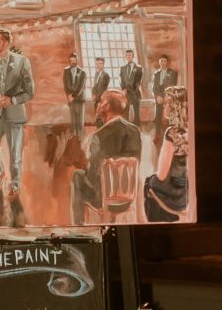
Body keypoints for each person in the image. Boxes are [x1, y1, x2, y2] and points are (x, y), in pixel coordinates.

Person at [0, 27, 35, 229]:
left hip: (14, 114)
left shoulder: (22, 62)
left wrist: (11, 99)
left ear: (5, 42)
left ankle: (14, 184)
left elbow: (30, 92)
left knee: (16, 154)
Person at [68, 89, 139, 226]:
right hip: (128, 198)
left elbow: (93, 176)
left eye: (101, 102)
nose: (98, 105)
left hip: (104, 198)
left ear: (106, 106)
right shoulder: (134, 131)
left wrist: (85, 165)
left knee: (78, 175)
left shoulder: (98, 136)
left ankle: (78, 225)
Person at [142, 86, 188, 223]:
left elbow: (161, 175)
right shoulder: (190, 129)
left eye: (169, 103)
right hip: (185, 190)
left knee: (148, 183)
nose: (165, 107)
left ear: (176, 106)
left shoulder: (171, 133)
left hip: (173, 194)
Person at [62, 48, 88, 141]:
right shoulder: (66, 71)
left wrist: (74, 96)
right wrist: (69, 95)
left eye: (74, 59)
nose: (73, 61)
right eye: (71, 59)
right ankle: (73, 136)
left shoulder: (83, 73)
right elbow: (65, 85)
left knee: (80, 119)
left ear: (77, 60)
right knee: (73, 119)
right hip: (70, 99)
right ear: (69, 60)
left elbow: (81, 87)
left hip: (79, 98)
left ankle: (80, 137)